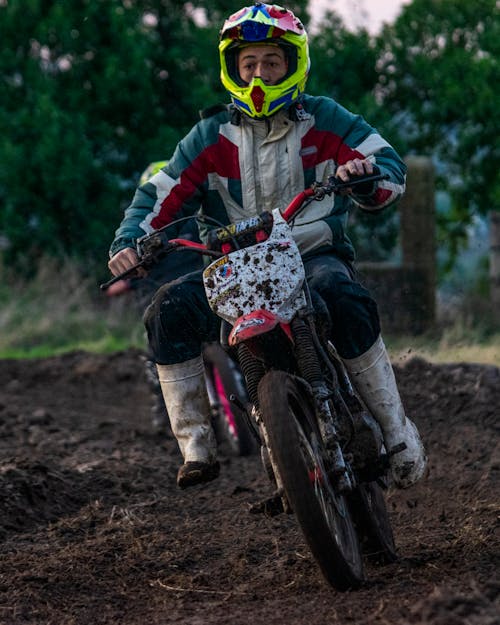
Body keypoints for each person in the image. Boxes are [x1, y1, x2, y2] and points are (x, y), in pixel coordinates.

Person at [108, 2, 427, 490]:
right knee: (166, 308)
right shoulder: (207, 136)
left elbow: (389, 167)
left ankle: (396, 430)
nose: (259, 74)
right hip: (234, 268)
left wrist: (363, 176)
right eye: (249, 64)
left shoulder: (325, 118)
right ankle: (196, 445)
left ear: (292, 64)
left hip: (314, 254)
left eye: (271, 63)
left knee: (346, 300)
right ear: (233, 68)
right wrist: (130, 242)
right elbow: (158, 192)